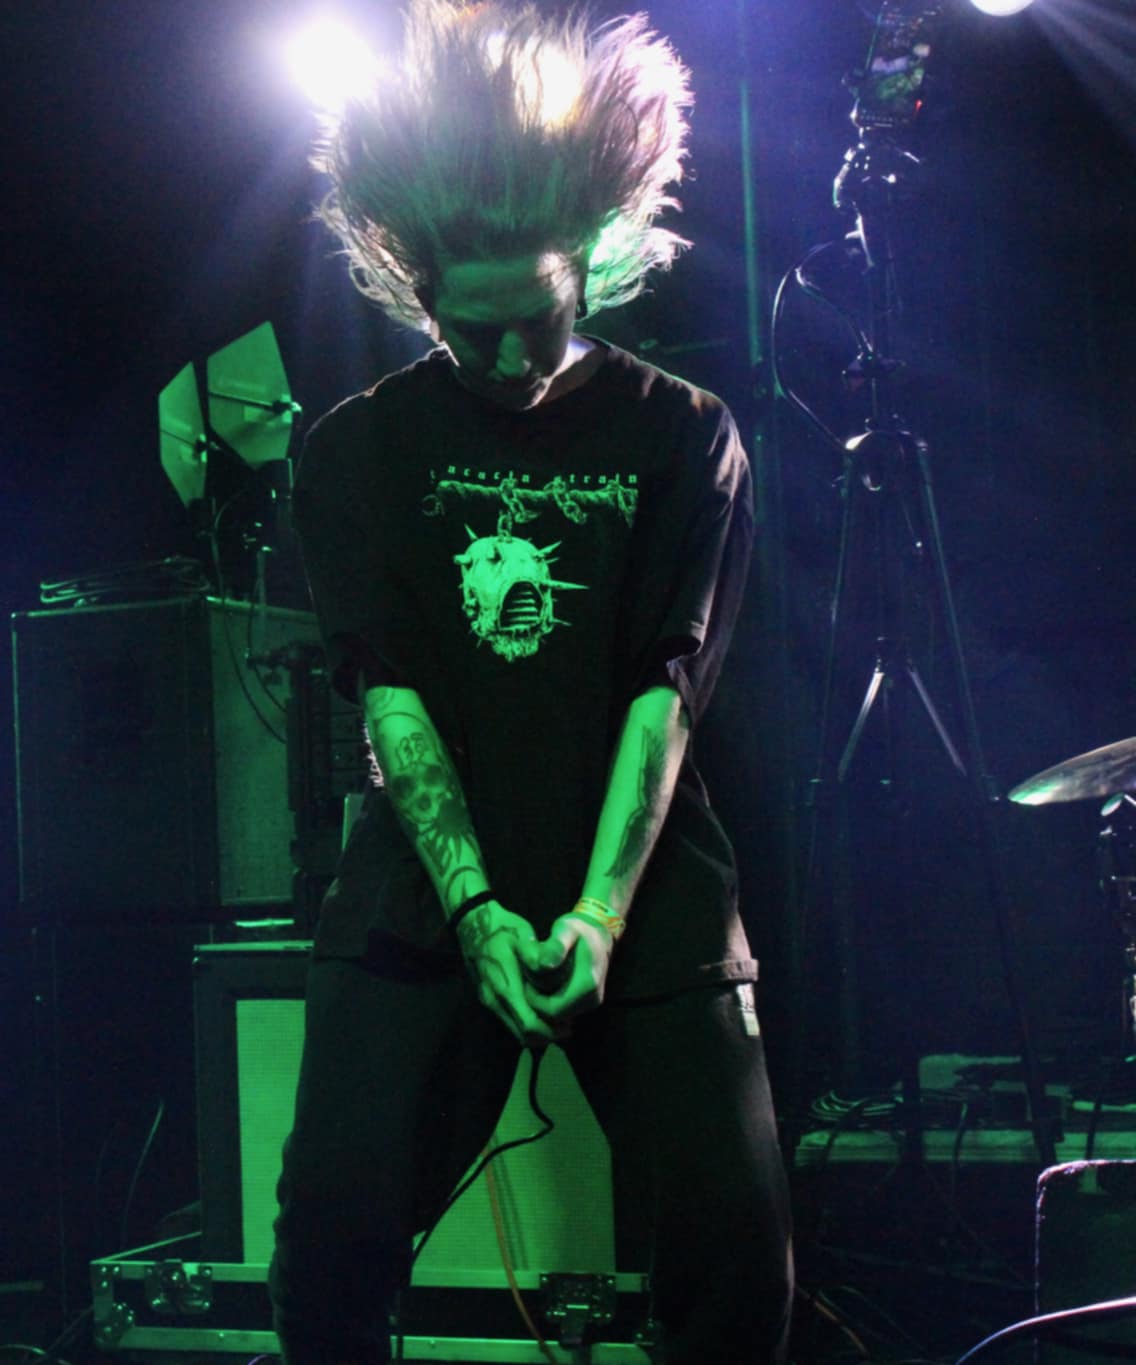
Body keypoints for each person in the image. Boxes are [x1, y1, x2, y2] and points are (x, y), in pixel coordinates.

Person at [268, 4, 793, 1361]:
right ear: (414, 289)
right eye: (475, 329)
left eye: (542, 319)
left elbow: (665, 691)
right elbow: (389, 698)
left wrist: (601, 919)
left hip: (645, 875)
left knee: (739, 1248)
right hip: (431, 888)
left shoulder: (686, 436)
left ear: (594, 266)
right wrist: (479, 909)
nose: (513, 361)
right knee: (328, 1239)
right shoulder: (354, 452)